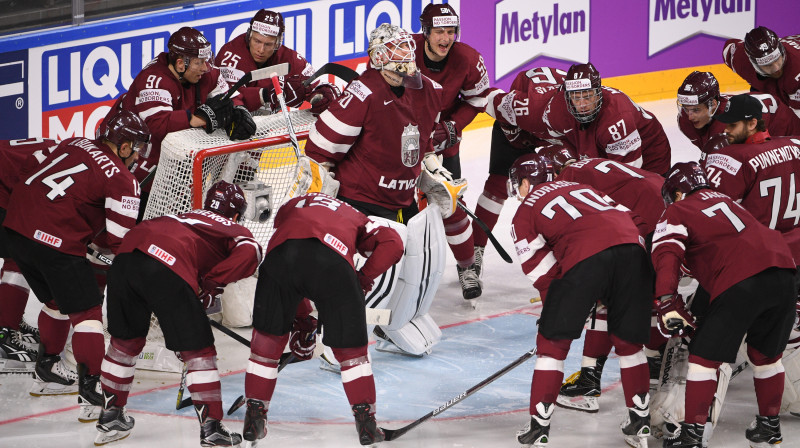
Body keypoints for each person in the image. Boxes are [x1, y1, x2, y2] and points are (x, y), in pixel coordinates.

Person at [2, 110, 148, 420]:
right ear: (124, 147)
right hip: (54, 241)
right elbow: (120, 243)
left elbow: (35, 170)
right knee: (88, 314)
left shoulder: (75, 142)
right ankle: (96, 391)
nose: (137, 156)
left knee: (57, 300)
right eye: (136, 148)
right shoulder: (124, 180)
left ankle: (48, 369)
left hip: (15, 228)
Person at [94, 180, 263, 447]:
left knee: (124, 343)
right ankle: (212, 430)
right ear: (234, 214)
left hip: (125, 259)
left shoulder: (184, 214)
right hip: (166, 265)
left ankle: (110, 415)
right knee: (200, 353)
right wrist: (213, 285)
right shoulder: (233, 227)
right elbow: (251, 252)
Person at [507, 153, 652, 448]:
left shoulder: (524, 212)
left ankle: (538, 429)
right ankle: (640, 423)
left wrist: (559, 311)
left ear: (524, 183)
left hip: (587, 259)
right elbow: (634, 220)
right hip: (633, 251)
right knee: (629, 344)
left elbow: (545, 274)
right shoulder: (586, 189)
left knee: (552, 345)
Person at [241, 192, 403, 446]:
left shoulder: (292, 205)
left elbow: (297, 258)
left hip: (278, 260)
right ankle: (367, 425)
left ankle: (254, 417)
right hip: (332, 263)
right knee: (353, 354)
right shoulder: (356, 216)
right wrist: (363, 278)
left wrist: (303, 320)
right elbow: (394, 243)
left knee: (265, 346)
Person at [652, 162, 796, 447]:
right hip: (786, 272)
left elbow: (667, 253)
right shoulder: (729, 201)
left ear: (677, 193)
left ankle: (692, 435)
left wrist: (666, 300)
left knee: (703, 360)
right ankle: (769, 427)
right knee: (766, 357)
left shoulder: (678, 210)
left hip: (741, 279)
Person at [533, 145, 669, 414]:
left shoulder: (566, 182)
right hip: (668, 210)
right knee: (639, 294)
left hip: (648, 222)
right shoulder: (589, 164)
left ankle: (589, 381)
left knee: (608, 292)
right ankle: (654, 362)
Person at [101, 26, 255, 218]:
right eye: (200, 63)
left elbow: (229, 96)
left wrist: (238, 109)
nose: (206, 68)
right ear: (181, 64)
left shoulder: (205, 74)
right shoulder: (154, 80)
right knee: (137, 219)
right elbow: (158, 125)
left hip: (169, 163)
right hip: (133, 161)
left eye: (206, 61)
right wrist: (200, 118)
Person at [412, 3, 493, 298]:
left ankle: (467, 267)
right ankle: (403, 273)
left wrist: (452, 128)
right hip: (402, 141)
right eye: (439, 32)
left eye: (450, 32)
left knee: (451, 204)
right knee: (399, 206)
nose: (446, 39)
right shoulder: (404, 51)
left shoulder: (469, 59)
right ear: (426, 32)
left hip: (443, 143)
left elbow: (476, 101)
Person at [471, 66, 566, 279]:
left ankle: (564, 245)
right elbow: (486, 96)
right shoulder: (519, 107)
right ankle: (474, 250)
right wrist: (513, 133)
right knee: (498, 183)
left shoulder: (575, 114)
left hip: (548, 126)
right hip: (523, 120)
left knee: (563, 183)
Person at [542, 62, 672, 175]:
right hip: (606, 150)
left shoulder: (617, 117)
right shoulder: (557, 109)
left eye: (588, 96)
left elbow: (630, 175)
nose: (582, 104)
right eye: (576, 97)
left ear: (599, 93)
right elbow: (557, 140)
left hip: (650, 156)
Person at [0, 138, 58, 373]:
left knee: (16, 254)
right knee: (19, 258)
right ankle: (5, 332)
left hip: (6, 184)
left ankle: (8, 319)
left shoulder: (66, 148)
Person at [215, 9, 339, 116]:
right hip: (230, 127)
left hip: (265, 127)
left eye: (268, 44)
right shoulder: (231, 55)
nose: (261, 50)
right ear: (249, 36)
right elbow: (230, 100)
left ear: (278, 43)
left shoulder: (289, 58)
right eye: (257, 41)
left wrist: (320, 96)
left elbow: (316, 85)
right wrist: (268, 94)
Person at [676, 71, 800, 151]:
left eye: (696, 110)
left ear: (713, 104)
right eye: (686, 109)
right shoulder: (684, 119)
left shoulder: (730, 125)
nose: (690, 117)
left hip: (782, 124)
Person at [723, 26, 800, 118]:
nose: (776, 68)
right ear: (753, 64)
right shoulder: (740, 60)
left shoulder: (796, 69)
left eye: (777, 59)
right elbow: (728, 48)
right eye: (768, 65)